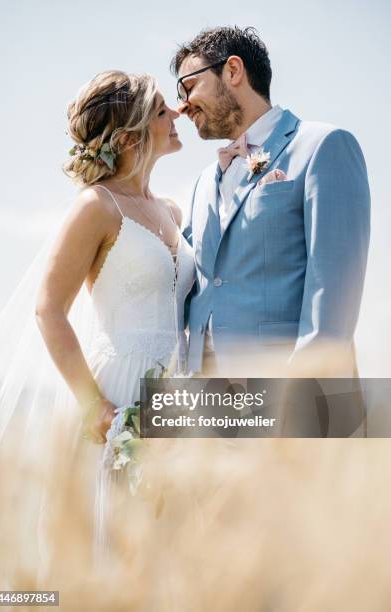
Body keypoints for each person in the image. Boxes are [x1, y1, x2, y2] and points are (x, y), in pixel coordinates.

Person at [171, 26, 371, 379]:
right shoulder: (204, 182)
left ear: (233, 71)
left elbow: (333, 294)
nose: (182, 105)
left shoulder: (323, 146)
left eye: (188, 87)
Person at [34, 70, 195, 445]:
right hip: (123, 384)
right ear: (127, 139)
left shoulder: (172, 212)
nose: (176, 113)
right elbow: (48, 308)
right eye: (160, 111)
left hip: (180, 388)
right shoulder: (96, 207)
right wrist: (94, 405)